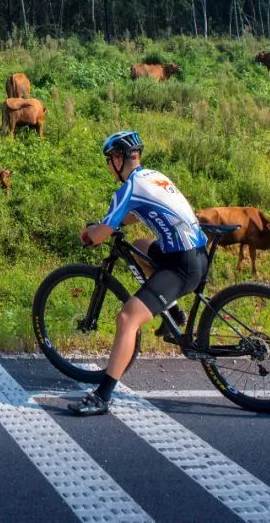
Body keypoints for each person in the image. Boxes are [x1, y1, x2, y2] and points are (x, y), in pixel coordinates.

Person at [70, 130, 208, 416]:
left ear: (119, 159)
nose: (109, 166)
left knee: (127, 317)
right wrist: (118, 221)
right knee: (140, 246)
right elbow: (139, 213)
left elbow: (99, 236)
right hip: (194, 254)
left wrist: (88, 234)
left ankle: (103, 396)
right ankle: (174, 313)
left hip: (180, 265)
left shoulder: (129, 187)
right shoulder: (155, 176)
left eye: (109, 160)